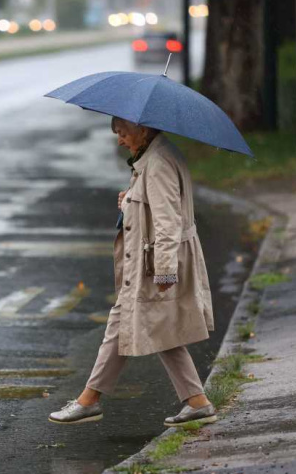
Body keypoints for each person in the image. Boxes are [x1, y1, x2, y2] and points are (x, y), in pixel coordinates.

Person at [48, 118, 216, 428]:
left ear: (143, 129)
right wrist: (130, 203)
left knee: (131, 323)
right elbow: (155, 208)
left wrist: (165, 272)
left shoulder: (158, 162)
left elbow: (168, 222)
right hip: (149, 261)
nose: (120, 140)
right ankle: (197, 402)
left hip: (154, 265)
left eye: (123, 133)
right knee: (155, 327)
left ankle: (88, 401)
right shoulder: (152, 157)